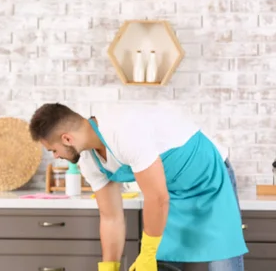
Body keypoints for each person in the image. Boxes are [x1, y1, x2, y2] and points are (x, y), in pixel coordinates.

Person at [28, 102, 247, 271]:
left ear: (66, 138)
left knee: (222, 262)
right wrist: (109, 266)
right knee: (167, 264)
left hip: (208, 180)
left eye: (53, 150)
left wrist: (147, 253)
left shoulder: (122, 132)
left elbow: (158, 199)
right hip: (170, 192)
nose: (56, 157)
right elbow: (111, 217)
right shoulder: (88, 161)